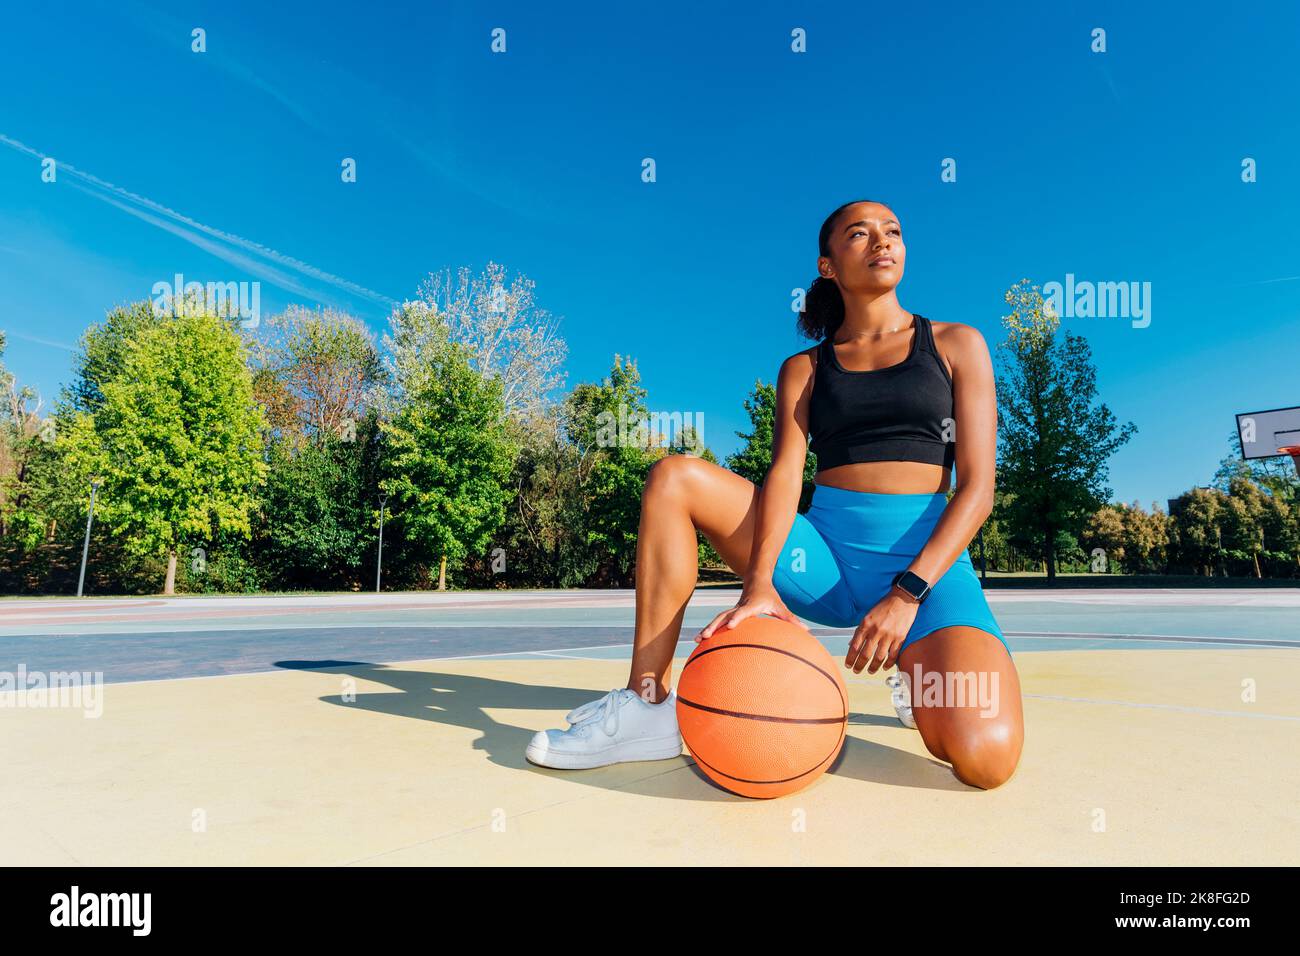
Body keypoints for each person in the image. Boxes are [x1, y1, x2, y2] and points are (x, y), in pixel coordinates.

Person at [526, 200, 1024, 790]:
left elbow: (978, 489)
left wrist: (908, 594)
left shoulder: (956, 343)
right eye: (859, 234)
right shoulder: (805, 368)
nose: (881, 242)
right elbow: (785, 475)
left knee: (985, 759)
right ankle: (647, 704)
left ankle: (919, 674)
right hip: (823, 560)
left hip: (929, 574)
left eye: (892, 232)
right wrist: (759, 584)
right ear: (828, 264)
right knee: (674, 477)